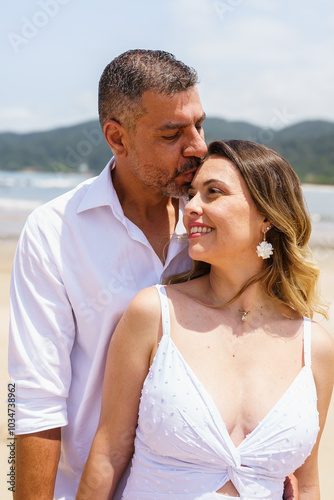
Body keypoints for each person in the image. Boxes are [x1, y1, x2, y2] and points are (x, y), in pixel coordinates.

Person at [76, 140, 334, 499]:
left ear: (267, 218)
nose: (192, 207)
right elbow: (108, 455)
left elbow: (306, 484)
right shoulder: (154, 313)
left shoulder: (315, 347)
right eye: (193, 193)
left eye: (213, 193)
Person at [9, 49, 207, 500]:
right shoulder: (55, 231)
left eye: (199, 125)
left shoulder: (214, 224)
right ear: (116, 137)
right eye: (173, 133)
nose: (196, 146)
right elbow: (33, 400)